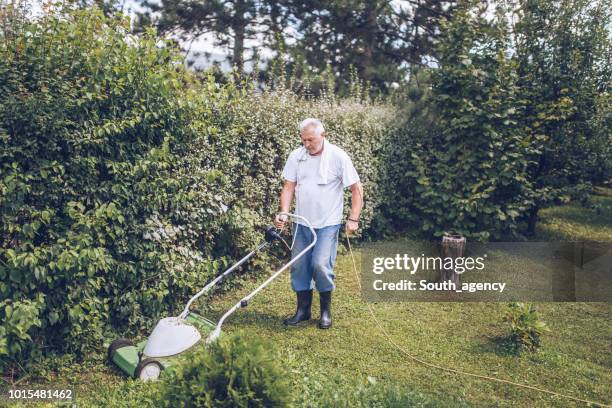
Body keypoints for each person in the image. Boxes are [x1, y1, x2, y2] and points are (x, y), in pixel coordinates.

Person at [274, 118, 363, 329]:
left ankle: (325, 311)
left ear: (323, 135)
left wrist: (353, 218)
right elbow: (288, 187)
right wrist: (284, 213)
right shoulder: (296, 157)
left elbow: (356, 188)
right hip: (302, 222)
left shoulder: (338, 157)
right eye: (303, 140)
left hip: (328, 223)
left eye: (311, 140)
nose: (306, 144)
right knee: (299, 267)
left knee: (320, 265)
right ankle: (303, 311)